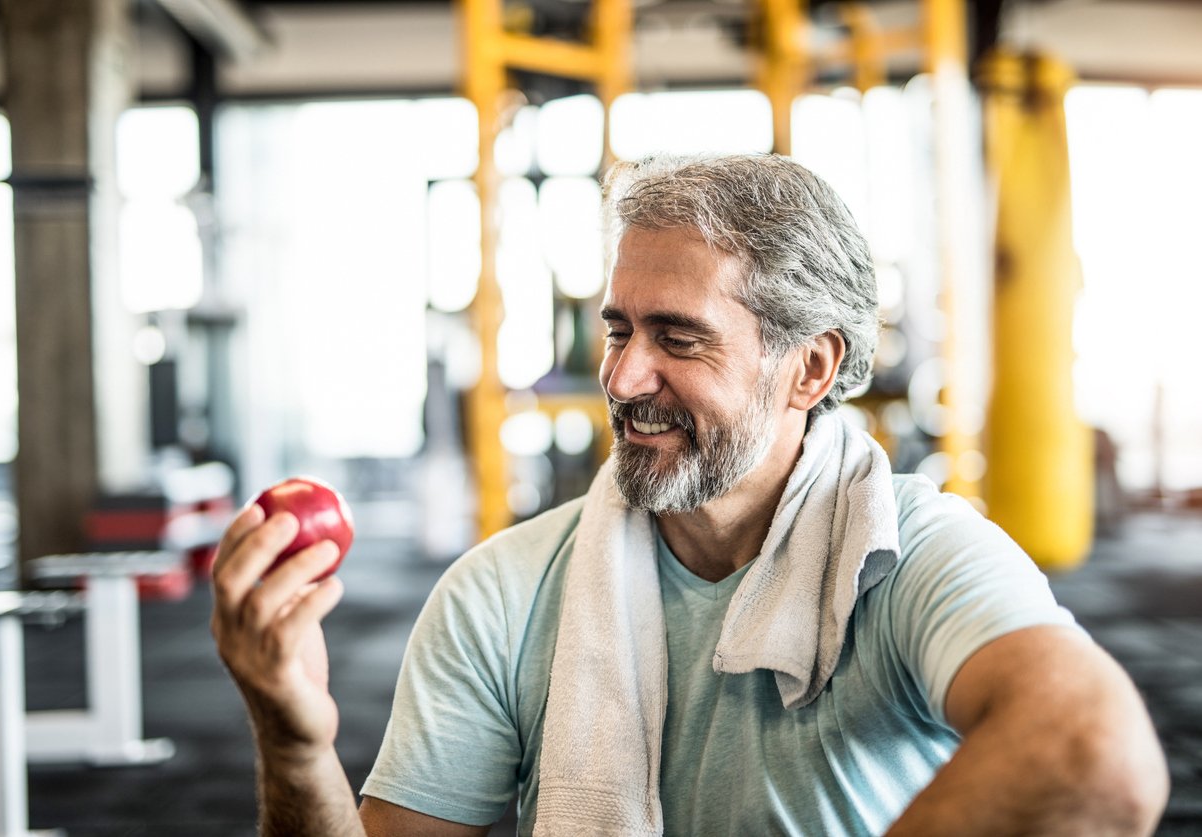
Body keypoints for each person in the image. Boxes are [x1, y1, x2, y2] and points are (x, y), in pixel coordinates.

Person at [211, 154, 1168, 836]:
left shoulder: (914, 554)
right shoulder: (499, 593)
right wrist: (294, 742)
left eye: (679, 337)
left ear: (809, 368)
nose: (624, 379)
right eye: (618, 329)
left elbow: (1098, 754)